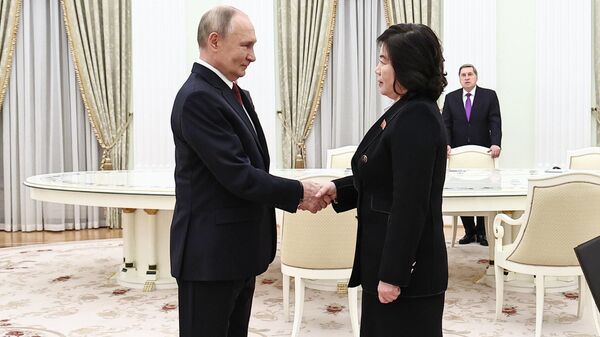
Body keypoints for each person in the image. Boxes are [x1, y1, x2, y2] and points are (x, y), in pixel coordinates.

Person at [169, 6, 324, 337]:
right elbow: (238, 174)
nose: (253, 56)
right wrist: (300, 193)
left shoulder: (232, 94)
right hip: (209, 257)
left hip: (237, 250)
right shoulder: (198, 97)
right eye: (246, 45)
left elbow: (254, 166)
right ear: (214, 41)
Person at [316, 23, 448, 337]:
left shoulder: (417, 116)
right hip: (387, 263)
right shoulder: (405, 110)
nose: (377, 69)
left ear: (407, 66)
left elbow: (410, 203)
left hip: (406, 275)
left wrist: (393, 275)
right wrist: (339, 189)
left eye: (384, 61)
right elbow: (384, 178)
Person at [442, 64, 502, 246]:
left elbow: (495, 120)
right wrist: (446, 143)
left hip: (483, 150)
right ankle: (469, 231)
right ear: (459, 78)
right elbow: (446, 124)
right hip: (459, 152)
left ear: (476, 77)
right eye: (463, 75)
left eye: (470, 74)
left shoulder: (489, 95)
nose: (466, 77)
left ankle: (482, 232)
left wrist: (496, 143)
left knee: (483, 189)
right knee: (461, 188)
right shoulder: (451, 98)